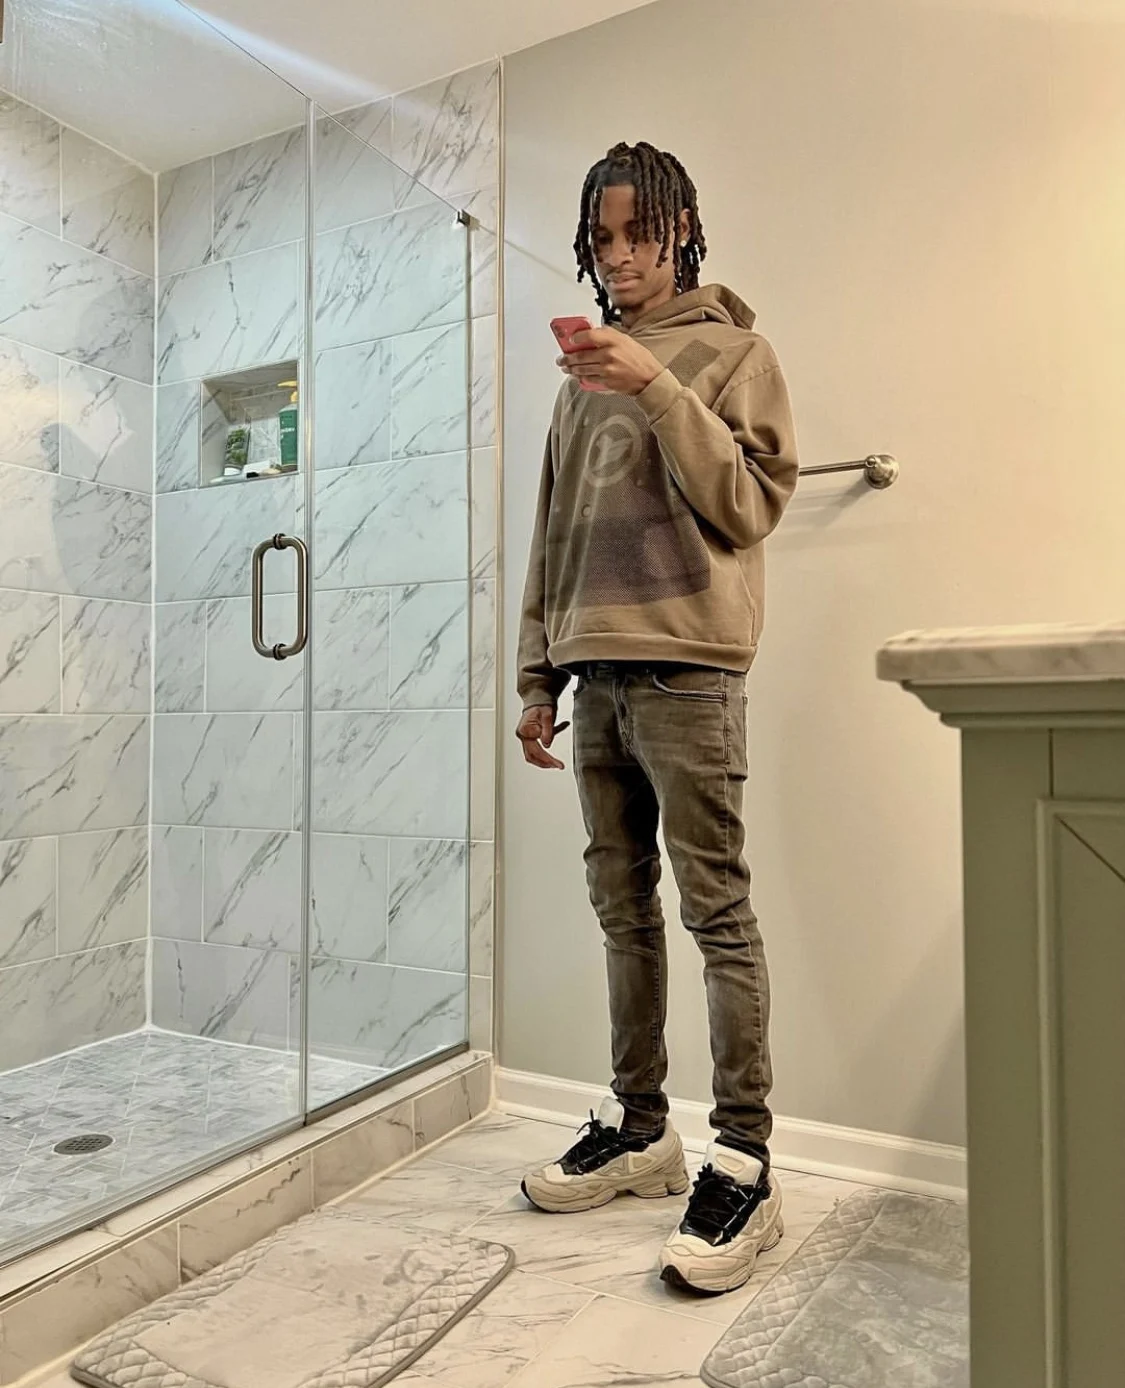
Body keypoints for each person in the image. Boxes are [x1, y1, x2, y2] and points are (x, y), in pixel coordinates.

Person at [515, 141, 799, 1295]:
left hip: (690, 673)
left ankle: (745, 1158)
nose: (619, 255)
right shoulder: (576, 386)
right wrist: (537, 676)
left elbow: (750, 502)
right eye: (602, 237)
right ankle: (641, 1129)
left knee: (715, 911)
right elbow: (551, 536)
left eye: (640, 232)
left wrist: (657, 386)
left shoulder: (736, 354)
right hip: (595, 676)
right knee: (621, 910)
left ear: (683, 230)